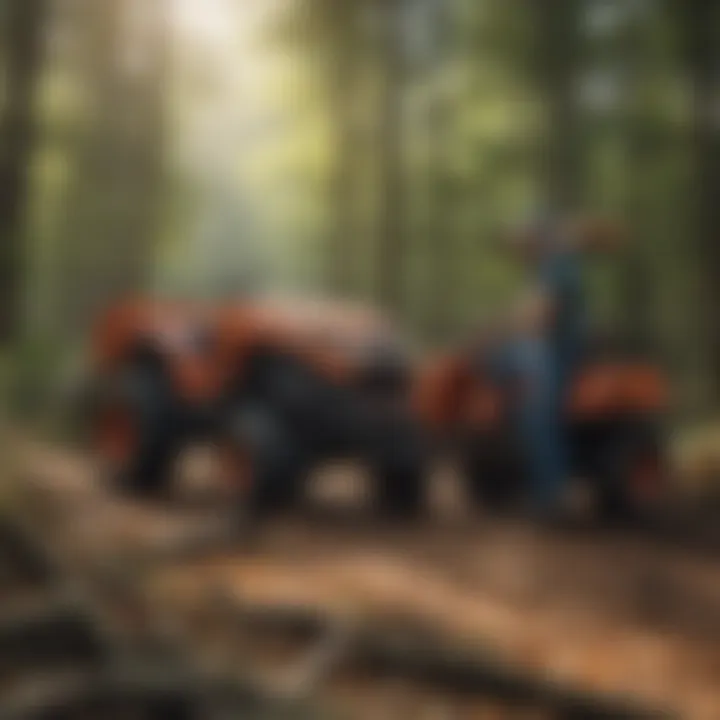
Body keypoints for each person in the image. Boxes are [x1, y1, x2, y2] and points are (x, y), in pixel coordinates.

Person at [490, 213, 623, 520]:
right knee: (495, 365)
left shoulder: (559, 264)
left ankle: (552, 496)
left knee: (539, 412)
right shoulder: (543, 267)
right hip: (545, 345)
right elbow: (530, 314)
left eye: (522, 241)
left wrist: (511, 327)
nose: (519, 249)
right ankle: (502, 468)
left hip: (561, 349)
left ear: (536, 237)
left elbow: (542, 314)